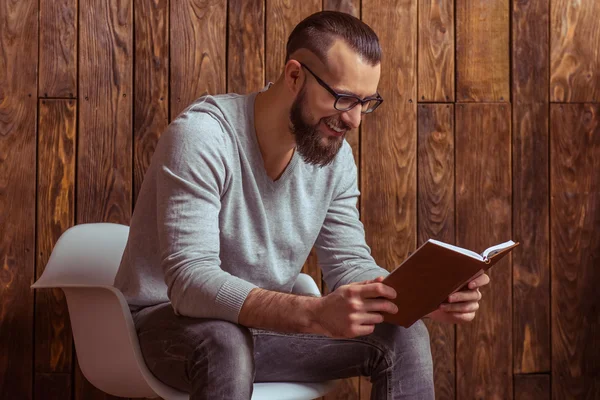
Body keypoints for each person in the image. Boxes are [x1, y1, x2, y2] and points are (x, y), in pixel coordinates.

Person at [114, 10, 489, 400]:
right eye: (343, 98)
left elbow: (348, 264)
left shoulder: (334, 157)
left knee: (404, 334)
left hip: (260, 329)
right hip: (164, 326)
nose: (355, 120)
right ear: (294, 76)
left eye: (365, 103)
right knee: (225, 342)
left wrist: (422, 299)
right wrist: (313, 313)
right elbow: (190, 283)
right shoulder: (202, 137)